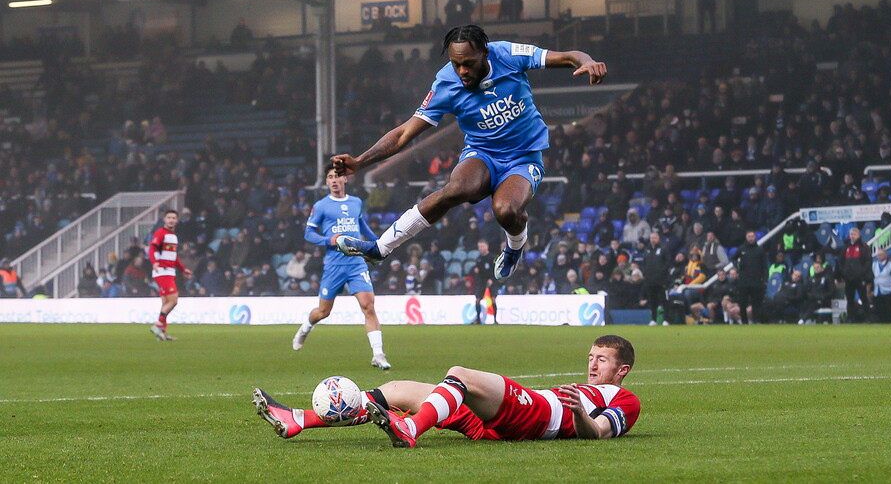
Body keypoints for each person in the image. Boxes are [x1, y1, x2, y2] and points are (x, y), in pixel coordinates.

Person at [331, 25, 606, 283]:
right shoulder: (446, 85)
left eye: (468, 63)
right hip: (482, 153)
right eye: (456, 63)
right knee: (456, 189)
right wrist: (360, 162)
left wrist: (587, 61)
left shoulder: (508, 54)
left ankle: (514, 248)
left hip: (524, 156)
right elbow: (404, 133)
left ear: (485, 53)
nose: (462, 70)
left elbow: (570, 56)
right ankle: (380, 248)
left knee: (506, 210)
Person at [252, 335, 640, 447]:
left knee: (460, 374)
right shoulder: (581, 387)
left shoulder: (625, 400)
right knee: (399, 389)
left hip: (539, 414)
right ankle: (300, 419)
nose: (592, 364)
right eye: (591, 356)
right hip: (498, 424)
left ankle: (410, 429)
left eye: (601, 360)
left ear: (622, 369)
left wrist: (576, 413)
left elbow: (601, 434)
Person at [291, 164, 390, 370]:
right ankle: (306, 328)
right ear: (326, 182)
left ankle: (378, 354)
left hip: (356, 262)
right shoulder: (321, 206)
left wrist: (379, 244)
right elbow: (308, 234)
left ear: (346, 179)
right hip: (334, 265)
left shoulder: (356, 202)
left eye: (337, 176)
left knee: (368, 306)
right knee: (323, 312)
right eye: (330, 177)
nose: (334, 180)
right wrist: (329, 240)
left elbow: (362, 226)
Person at [147, 211, 193, 341]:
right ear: (164, 219)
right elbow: (152, 249)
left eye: (174, 218)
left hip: (169, 271)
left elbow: (174, 256)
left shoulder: (173, 236)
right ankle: (157, 325)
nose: (171, 220)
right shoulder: (160, 233)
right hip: (162, 271)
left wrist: (183, 269)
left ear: (177, 220)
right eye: (169, 218)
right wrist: (155, 262)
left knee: (166, 302)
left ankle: (161, 334)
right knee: (173, 300)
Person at [837, 227, 872, 323]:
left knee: (863, 298)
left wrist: (862, 272)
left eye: (854, 234)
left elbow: (868, 261)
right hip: (848, 278)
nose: (852, 236)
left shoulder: (864, 247)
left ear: (858, 235)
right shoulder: (846, 247)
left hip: (860, 278)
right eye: (851, 234)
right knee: (850, 299)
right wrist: (844, 272)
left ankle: (868, 318)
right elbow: (840, 261)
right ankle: (850, 318)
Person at [871, 248, 891, 323]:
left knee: (889, 314)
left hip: (888, 293)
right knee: (878, 314)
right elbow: (871, 278)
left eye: (881, 255)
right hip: (877, 292)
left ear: (885, 255)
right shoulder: (874, 265)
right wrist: (871, 290)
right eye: (878, 255)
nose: (879, 256)